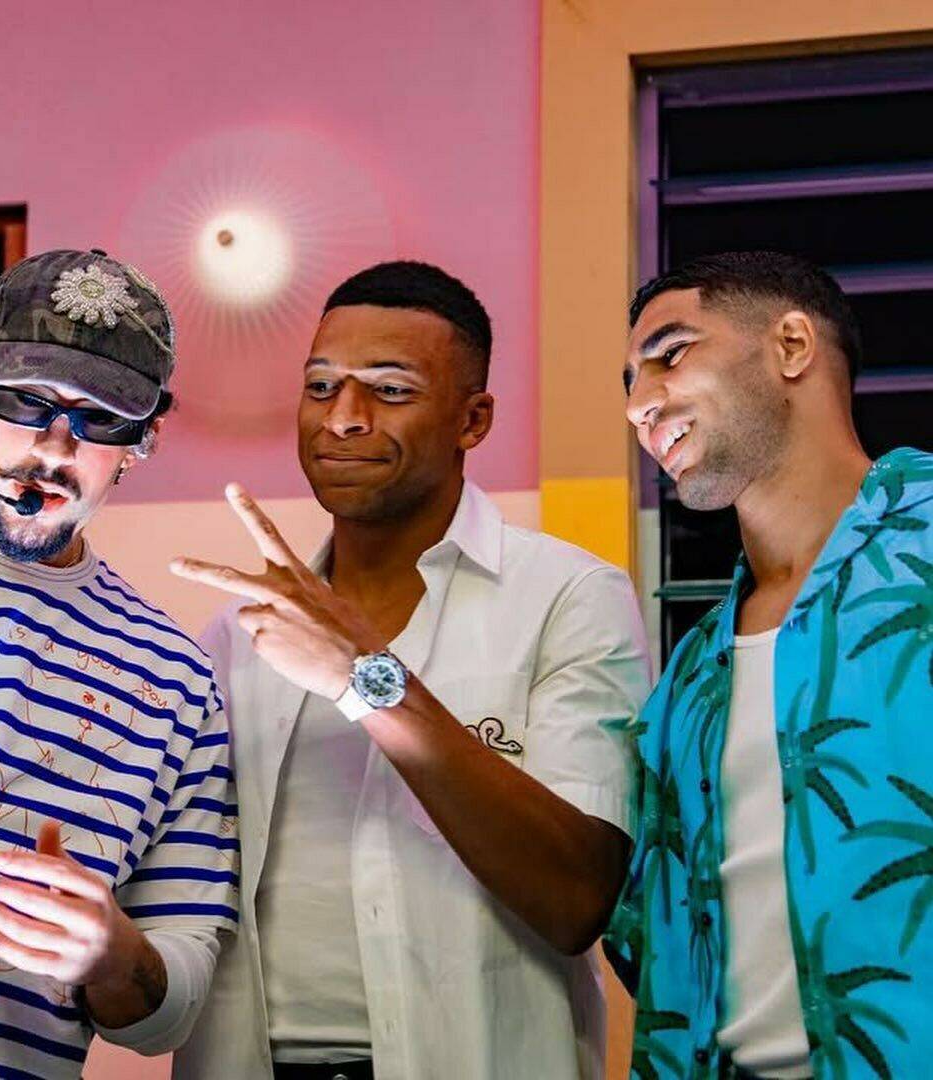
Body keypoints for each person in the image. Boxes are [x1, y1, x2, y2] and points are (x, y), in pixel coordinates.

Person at [171, 261, 651, 1080]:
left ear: (473, 419)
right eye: (321, 387)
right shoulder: (235, 636)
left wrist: (367, 681)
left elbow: (577, 899)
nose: (344, 418)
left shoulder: (568, 598)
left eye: (390, 391)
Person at [0, 249, 238, 1078]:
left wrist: (114, 955)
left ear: (144, 441)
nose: (55, 447)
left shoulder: (175, 679)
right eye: (26, 400)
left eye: (103, 418)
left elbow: (171, 1009)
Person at [608, 251, 932, 1078]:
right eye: (630, 383)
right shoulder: (690, 678)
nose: (641, 404)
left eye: (670, 354)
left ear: (792, 345)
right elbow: (650, 938)